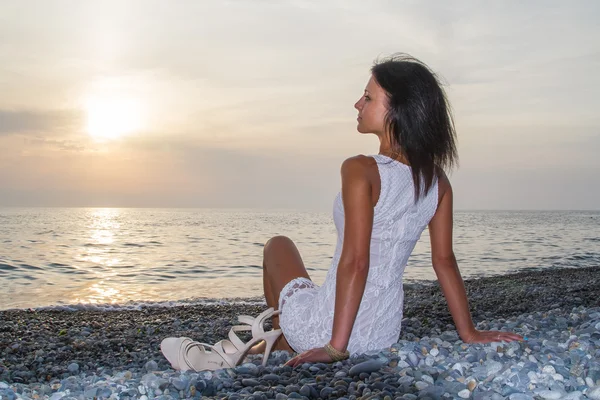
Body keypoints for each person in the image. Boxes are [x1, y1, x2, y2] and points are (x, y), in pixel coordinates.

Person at [255, 53, 523, 367]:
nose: (358, 104)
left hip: (330, 332)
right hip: (382, 334)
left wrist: (335, 348)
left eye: (368, 98)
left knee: (278, 245)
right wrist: (469, 332)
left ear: (397, 111)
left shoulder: (361, 170)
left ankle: (284, 340)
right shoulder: (438, 182)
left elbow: (356, 262)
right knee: (313, 284)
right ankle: (286, 339)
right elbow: (445, 262)